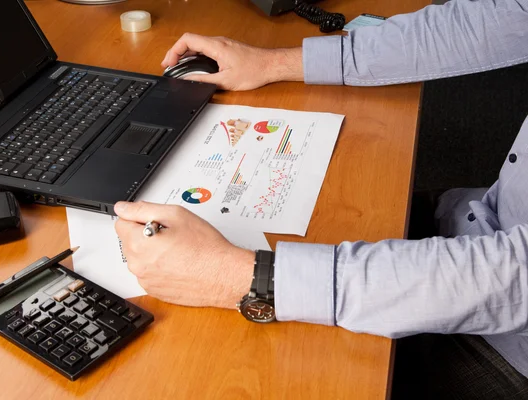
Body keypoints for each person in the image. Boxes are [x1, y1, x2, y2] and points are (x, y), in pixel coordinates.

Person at [114, 0, 528, 398]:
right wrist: (274, 63)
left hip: (506, 337)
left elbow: (513, 276)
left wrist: (247, 279)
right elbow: (500, 19)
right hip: (481, 221)